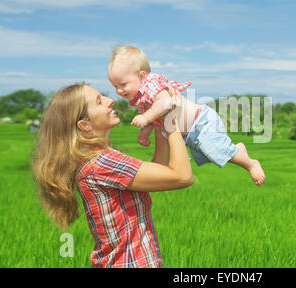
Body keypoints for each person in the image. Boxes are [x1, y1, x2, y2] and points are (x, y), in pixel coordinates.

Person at [32, 83, 193, 268]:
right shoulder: (102, 164)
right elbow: (182, 176)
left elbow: (158, 172)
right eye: (100, 102)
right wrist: (171, 120)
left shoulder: (99, 159)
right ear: (84, 125)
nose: (111, 101)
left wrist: (158, 121)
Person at [108, 45, 265, 186]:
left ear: (142, 76)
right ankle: (237, 150)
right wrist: (145, 133)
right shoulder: (140, 98)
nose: (119, 91)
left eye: (123, 84)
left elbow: (166, 103)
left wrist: (146, 117)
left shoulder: (151, 85)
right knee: (212, 154)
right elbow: (155, 117)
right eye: (115, 86)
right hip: (189, 132)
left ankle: (250, 163)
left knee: (216, 150)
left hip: (200, 122)